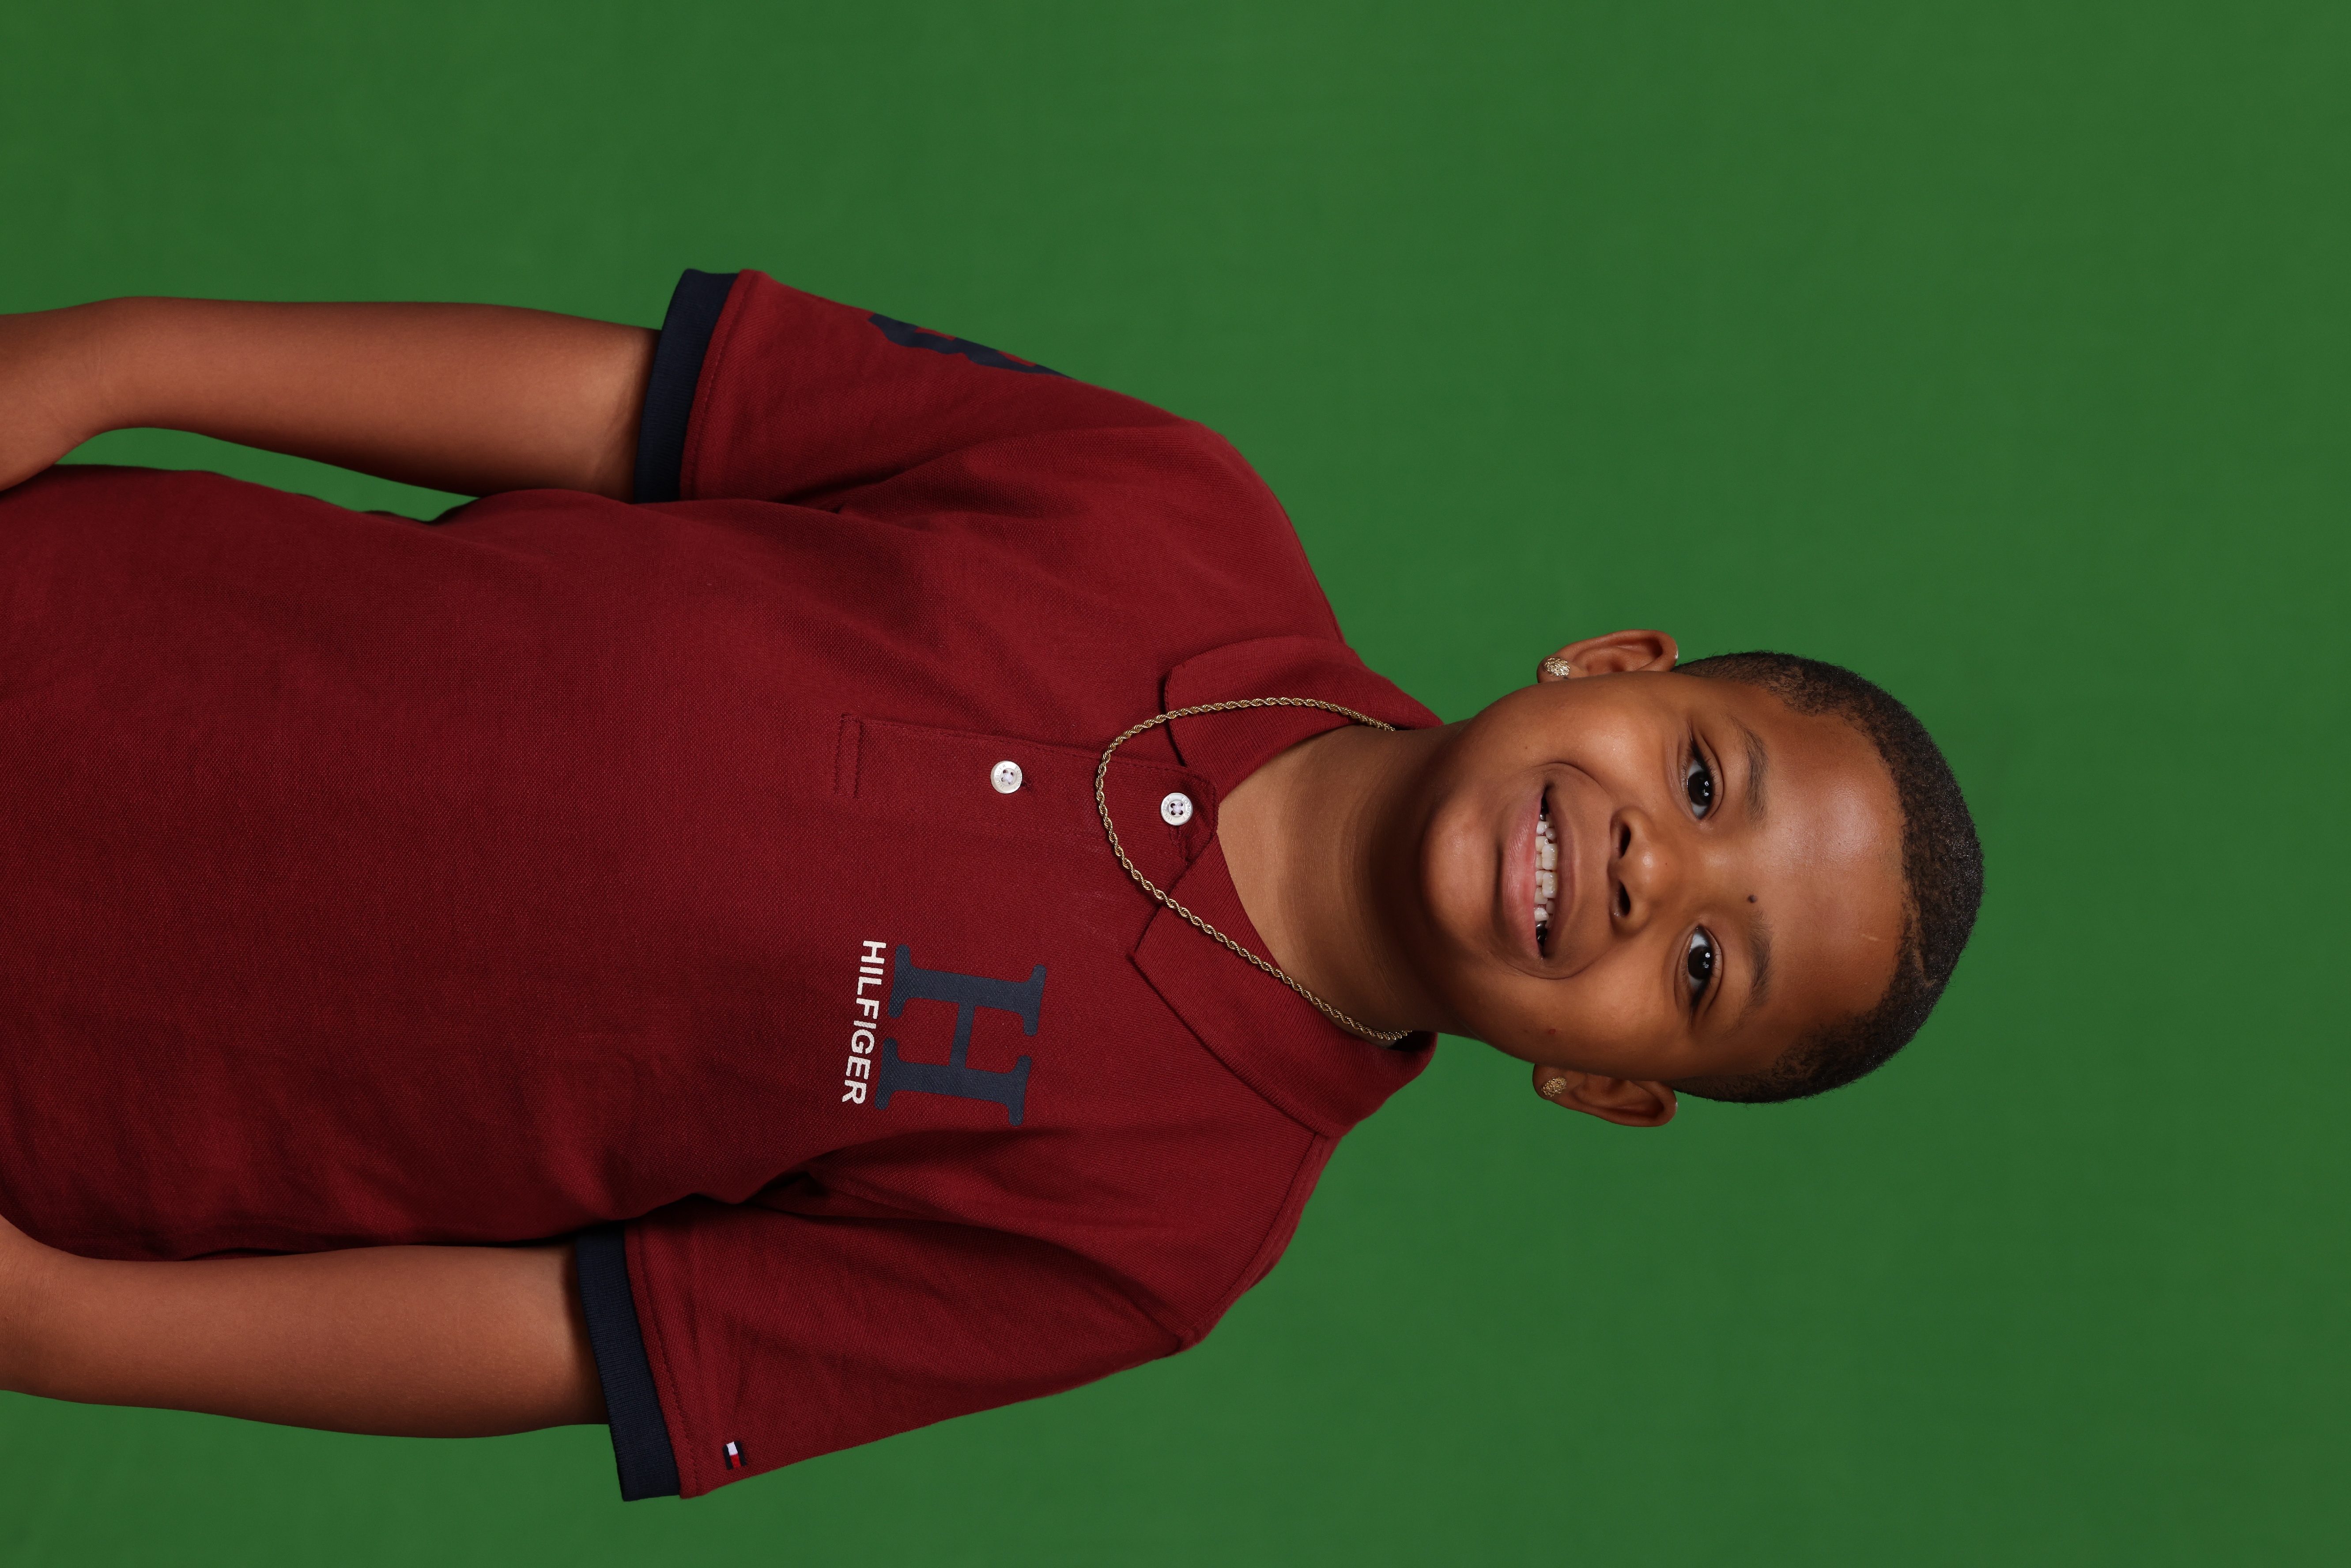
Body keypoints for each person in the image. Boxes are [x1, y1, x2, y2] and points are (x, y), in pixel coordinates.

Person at [0, 270, 1982, 1498]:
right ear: (1615, 664)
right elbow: (632, 415)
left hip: (63, 1110)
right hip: (73, 612)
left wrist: (73, 1332)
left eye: (1704, 968)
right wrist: (119, 357)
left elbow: (588, 1332)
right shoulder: (1169, 505)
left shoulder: (1155, 1243)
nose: (1650, 869)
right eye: (1701, 778)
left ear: (1606, 1085)